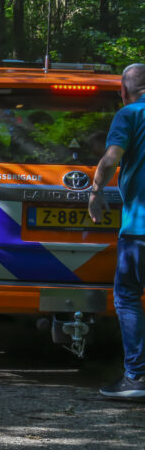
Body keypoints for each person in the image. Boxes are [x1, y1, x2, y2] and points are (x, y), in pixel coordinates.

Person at [88, 63, 145, 399]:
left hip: (139, 229)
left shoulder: (128, 115)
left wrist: (95, 193)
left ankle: (137, 377)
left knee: (127, 297)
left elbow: (110, 159)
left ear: (123, 92)